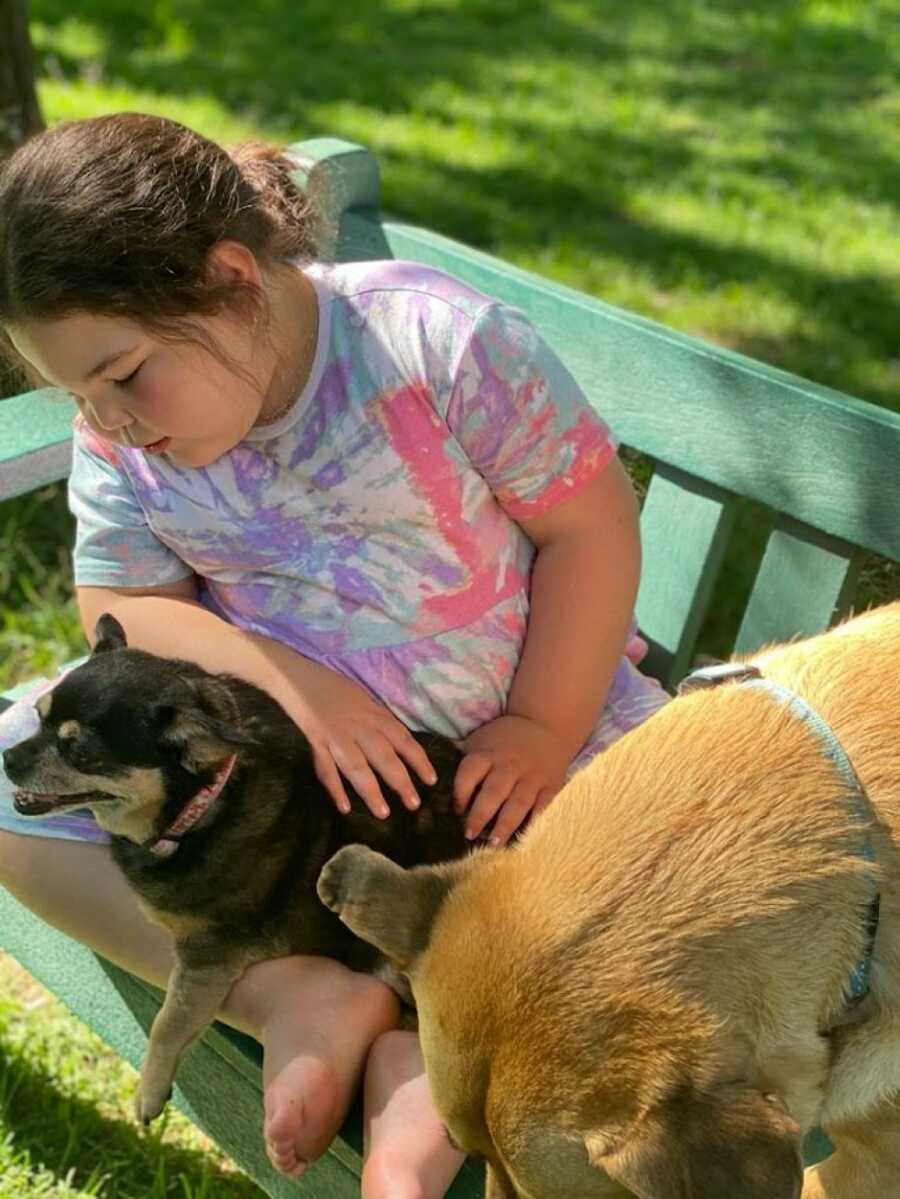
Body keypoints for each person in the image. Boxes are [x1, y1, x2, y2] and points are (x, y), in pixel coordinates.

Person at [0, 112, 668, 1198]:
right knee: (5, 794)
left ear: (230, 280)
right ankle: (292, 992)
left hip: (517, 769)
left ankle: (419, 1057)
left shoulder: (428, 343)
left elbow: (588, 529)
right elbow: (120, 597)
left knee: (577, 912)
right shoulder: (125, 441)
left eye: (121, 374)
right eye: (78, 394)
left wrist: (543, 724)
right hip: (298, 801)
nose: (108, 420)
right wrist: (291, 682)